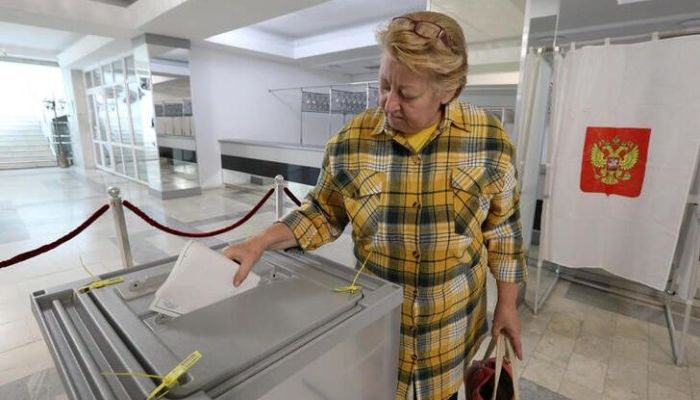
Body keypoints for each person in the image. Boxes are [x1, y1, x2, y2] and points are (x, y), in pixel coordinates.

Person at [223, 10, 527, 400]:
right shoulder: (352, 140)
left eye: (407, 94)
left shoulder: (488, 139)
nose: (388, 104)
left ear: (448, 91)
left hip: (450, 334)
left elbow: (504, 231)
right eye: (384, 85)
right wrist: (260, 241)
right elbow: (321, 213)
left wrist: (507, 305)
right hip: (378, 329)